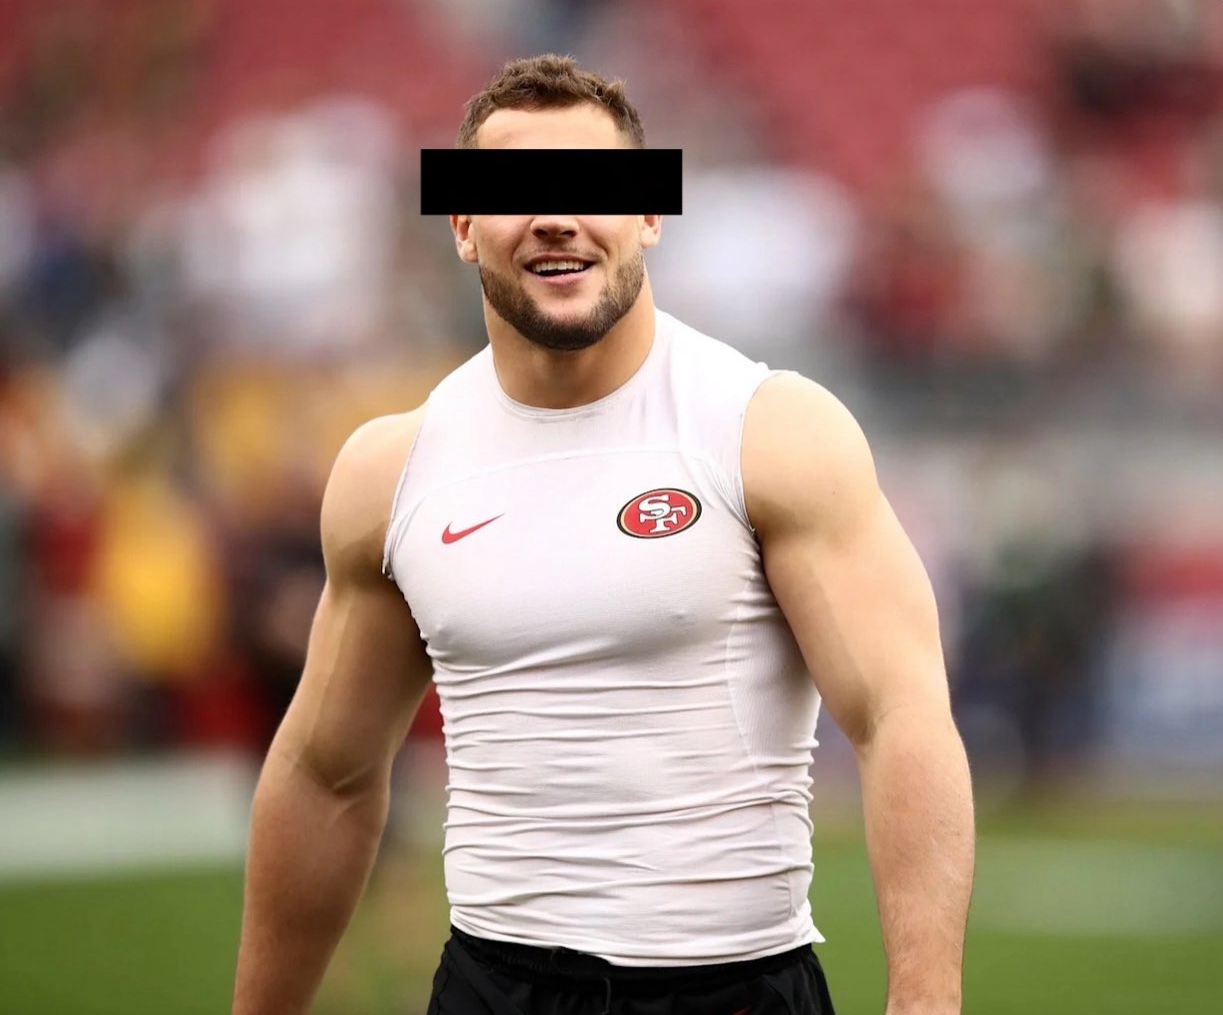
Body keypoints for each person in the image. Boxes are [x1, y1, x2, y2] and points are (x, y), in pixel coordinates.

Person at [231, 54, 975, 1015]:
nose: (555, 216)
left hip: (731, 989)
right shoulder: (391, 470)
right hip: (489, 990)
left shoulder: (768, 430)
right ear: (461, 225)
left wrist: (925, 1001)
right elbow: (326, 775)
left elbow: (900, 717)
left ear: (648, 214)